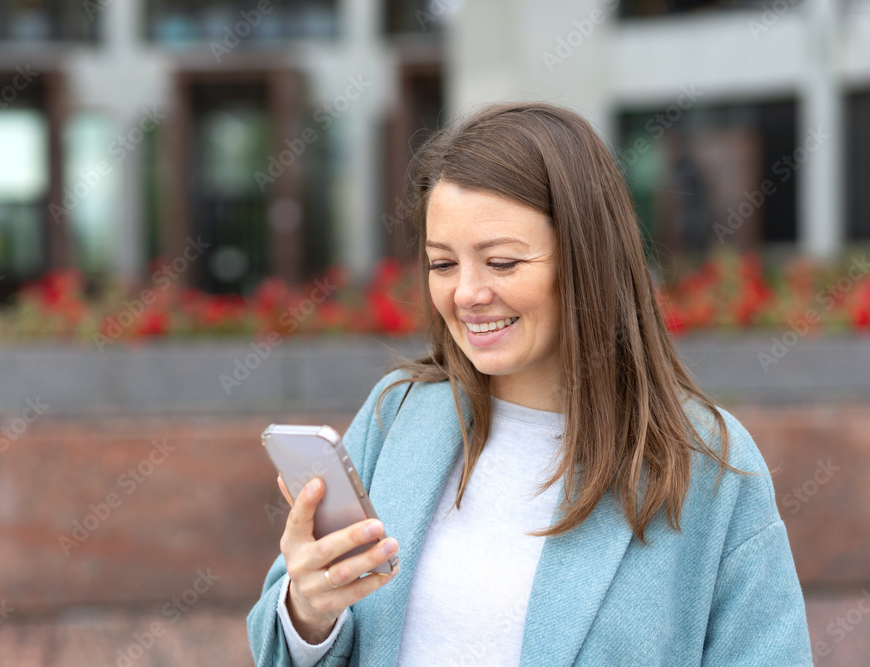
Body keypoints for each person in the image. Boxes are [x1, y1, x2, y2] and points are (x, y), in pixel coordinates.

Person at [246, 101, 813, 666]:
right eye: (443, 264)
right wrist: (308, 613)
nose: (466, 293)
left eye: (502, 263)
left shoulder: (708, 463)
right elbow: (279, 642)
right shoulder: (396, 417)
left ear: (586, 260)